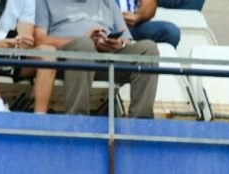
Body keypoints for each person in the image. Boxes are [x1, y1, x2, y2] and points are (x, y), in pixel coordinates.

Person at [31, 0, 159, 116]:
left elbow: (127, 41)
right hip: (66, 59)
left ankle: (140, 125)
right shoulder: (46, 1)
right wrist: (83, 39)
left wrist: (118, 44)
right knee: (84, 45)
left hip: (106, 59)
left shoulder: (108, 3)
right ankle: (77, 120)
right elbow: (39, 40)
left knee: (149, 49)